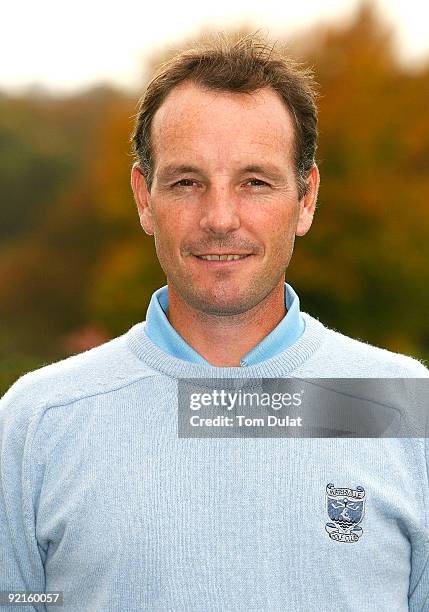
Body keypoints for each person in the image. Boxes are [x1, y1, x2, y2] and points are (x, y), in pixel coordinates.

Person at [1, 34, 428, 612]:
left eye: (255, 182)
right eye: (186, 182)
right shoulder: (37, 423)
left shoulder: (402, 408)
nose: (220, 218)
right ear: (144, 199)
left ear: (306, 198)